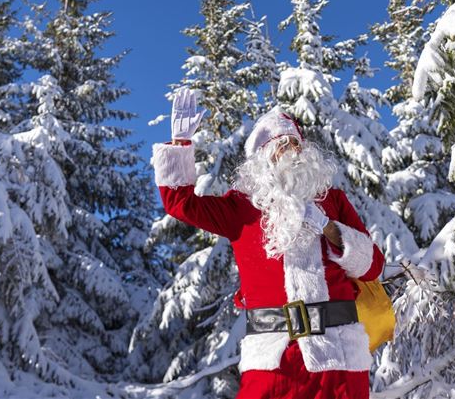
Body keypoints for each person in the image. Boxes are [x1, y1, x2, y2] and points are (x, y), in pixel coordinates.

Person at [151, 88, 385, 399]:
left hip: (339, 357)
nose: (292, 151)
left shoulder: (332, 200)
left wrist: (328, 228)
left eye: (295, 143)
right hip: (273, 361)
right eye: (281, 144)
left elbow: (372, 267)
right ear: (262, 157)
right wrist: (181, 145)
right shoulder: (240, 208)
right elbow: (181, 204)